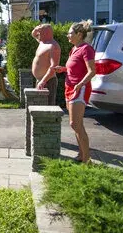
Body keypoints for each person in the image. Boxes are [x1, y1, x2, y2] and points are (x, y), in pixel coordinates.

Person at [54, 20, 96, 163]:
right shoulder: (74, 49)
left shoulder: (86, 49)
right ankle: (81, 154)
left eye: (70, 33)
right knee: (76, 124)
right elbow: (75, 68)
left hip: (80, 89)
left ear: (79, 34)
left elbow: (92, 71)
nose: (67, 35)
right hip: (70, 88)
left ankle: (87, 159)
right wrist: (63, 69)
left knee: (75, 124)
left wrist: (80, 83)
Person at [32, 24, 61, 105]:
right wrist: (36, 29)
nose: (38, 34)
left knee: (48, 107)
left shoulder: (53, 46)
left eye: (40, 32)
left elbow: (54, 67)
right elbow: (33, 35)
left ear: (46, 33)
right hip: (40, 81)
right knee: (38, 106)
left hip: (48, 81)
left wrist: (43, 81)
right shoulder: (42, 42)